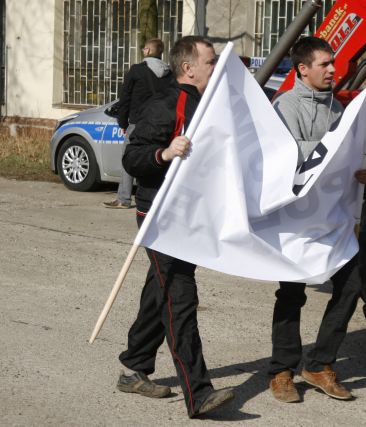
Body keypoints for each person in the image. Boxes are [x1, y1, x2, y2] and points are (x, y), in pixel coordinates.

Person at [117, 35, 234, 418]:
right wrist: (164, 153)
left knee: (161, 289)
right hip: (161, 217)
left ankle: (135, 366)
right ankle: (198, 393)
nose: (216, 67)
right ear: (189, 68)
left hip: (191, 215)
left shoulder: (210, 105)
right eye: (211, 62)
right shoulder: (165, 104)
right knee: (180, 299)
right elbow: (133, 158)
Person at [268, 36, 366, 403]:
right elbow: (283, 157)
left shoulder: (340, 111)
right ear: (303, 69)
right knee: (292, 294)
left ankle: (319, 365)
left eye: (333, 63)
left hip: (333, 221)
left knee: (351, 284)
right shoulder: (285, 106)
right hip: (296, 223)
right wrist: (335, 153)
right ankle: (282, 370)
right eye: (325, 64)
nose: (334, 70)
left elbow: (351, 160)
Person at [103, 37, 173, 209]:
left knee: (129, 158)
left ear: (148, 51)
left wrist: (122, 123)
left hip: (137, 123)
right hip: (161, 125)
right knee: (156, 160)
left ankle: (124, 199)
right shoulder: (169, 73)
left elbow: (125, 99)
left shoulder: (136, 70)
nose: (143, 51)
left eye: (144, 49)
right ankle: (156, 199)